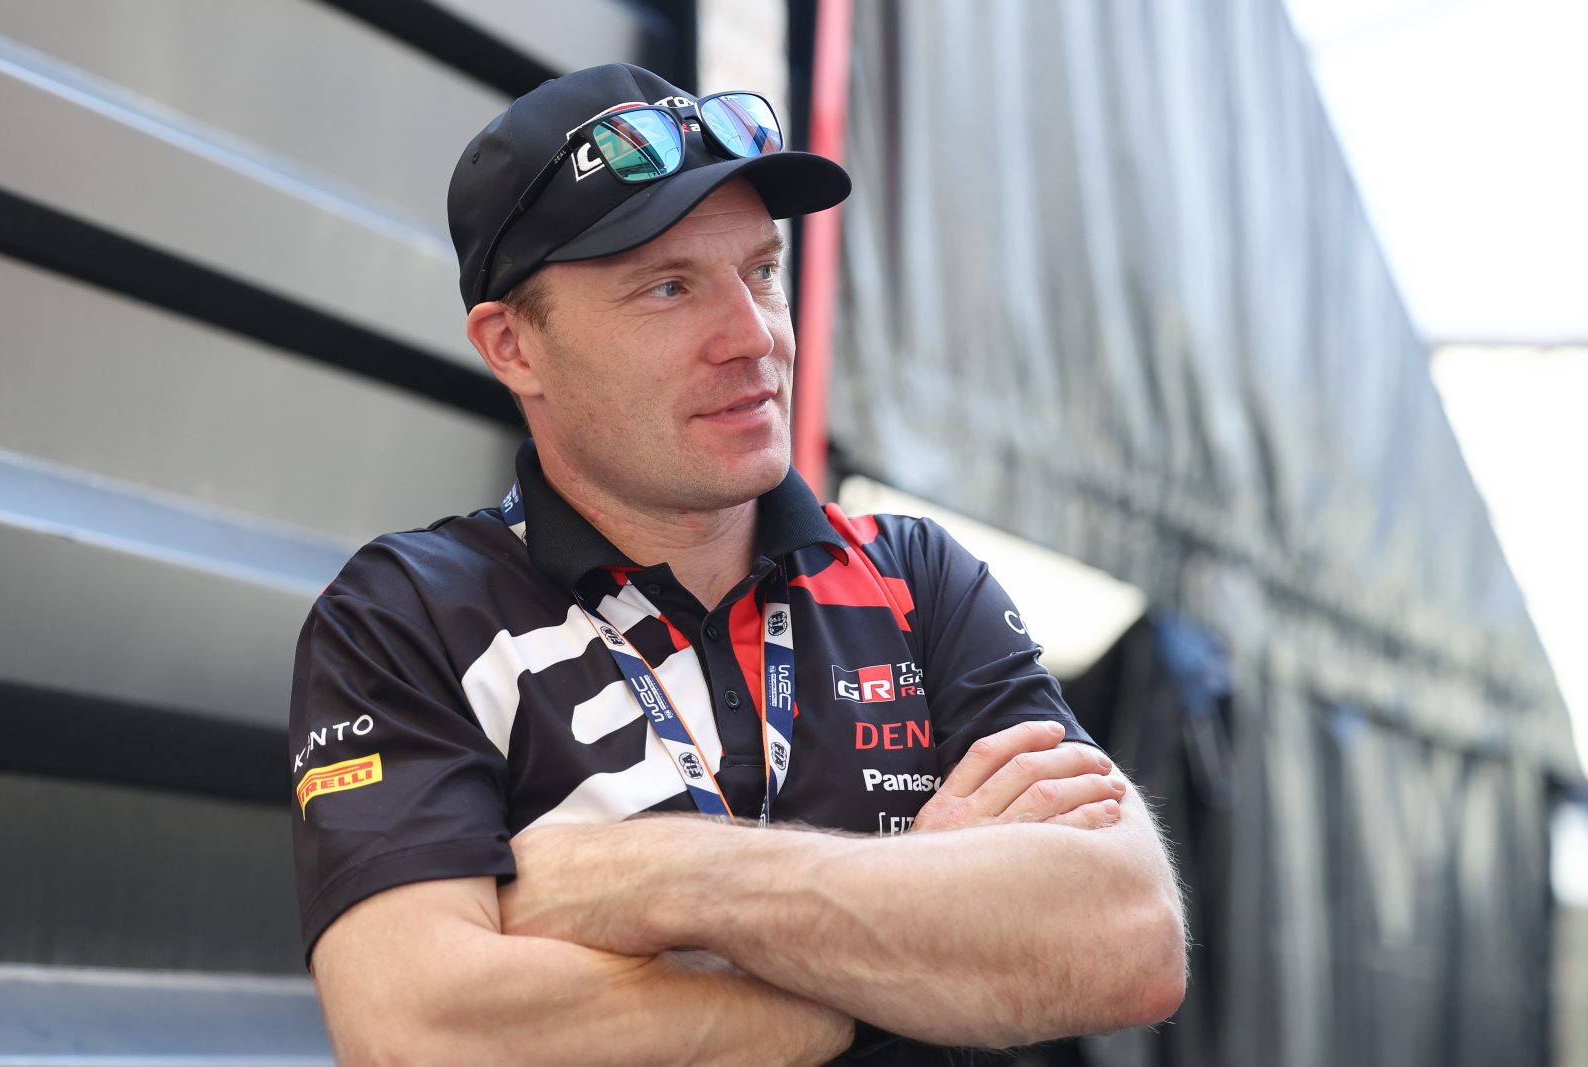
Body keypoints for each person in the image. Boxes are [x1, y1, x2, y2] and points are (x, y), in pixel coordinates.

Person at [289, 63, 1185, 1065]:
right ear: (514, 347)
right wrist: (907, 941)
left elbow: (1130, 939)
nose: (754, 336)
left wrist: (650, 877)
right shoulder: (408, 614)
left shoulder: (916, 578)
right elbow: (419, 1029)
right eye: (668, 288)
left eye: (761, 270)